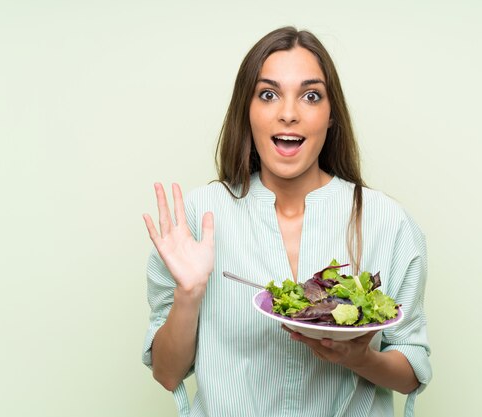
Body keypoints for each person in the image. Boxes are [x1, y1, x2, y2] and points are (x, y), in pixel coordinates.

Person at [142, 26, 431, 417]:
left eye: (311, 96)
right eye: (268, 94)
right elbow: (167, 372)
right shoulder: (199, 216)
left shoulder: (387, 222)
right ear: (247, 110)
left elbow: (412, 370)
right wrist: (189, 294)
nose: (289, 113)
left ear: (331, 116)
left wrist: (357, 357)